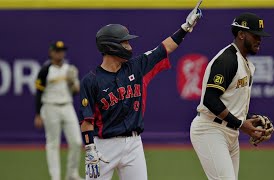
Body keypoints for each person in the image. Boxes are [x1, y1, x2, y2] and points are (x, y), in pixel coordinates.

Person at [79, 2, 202, 180]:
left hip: (133, 144)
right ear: (111, 46)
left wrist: (186, 27)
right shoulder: (91, 81)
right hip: (104, 147)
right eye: (125, 42)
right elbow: (87, 120)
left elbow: (163, 49)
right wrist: (90, 149)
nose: (129, 46)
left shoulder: (136, 67)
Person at [190, 12, 271, 180]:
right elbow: (210, 99)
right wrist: (242, 124)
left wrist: (250, 121)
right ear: (241, 34)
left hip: (230, 132)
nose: (259, 40)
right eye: (255, 35)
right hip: (210, 130)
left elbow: (231, 103)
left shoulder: (246, 63)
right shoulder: (227, 60)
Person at [34, 41, 84, 180]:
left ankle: (71, 173)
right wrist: (38, 113)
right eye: (57, 51)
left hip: (67, 106)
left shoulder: (70, 69)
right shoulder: (45, 70)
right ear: (51, 52)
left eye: (62, 51)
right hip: (50, 107)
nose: (60, 53)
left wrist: (72, 82)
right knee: (53, 144)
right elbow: (38, 92)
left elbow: (76, 91)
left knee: (76, 142)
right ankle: (55, 177)